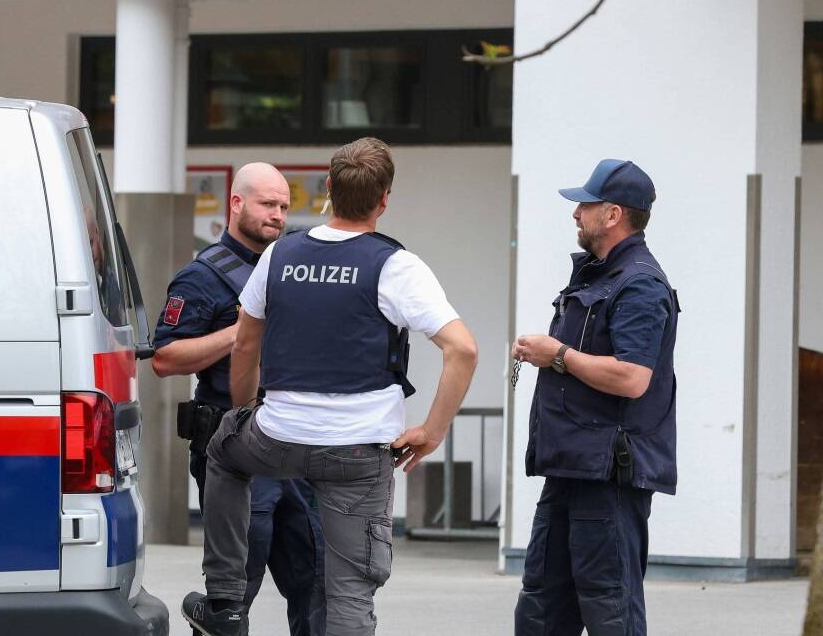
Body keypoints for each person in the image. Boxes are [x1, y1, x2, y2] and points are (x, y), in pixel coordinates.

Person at [181, 138, 478, 636]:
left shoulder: (279, 255)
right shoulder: (396, 266)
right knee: (349, 590)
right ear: (384, 199)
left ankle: (226, 601)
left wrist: (246, 413)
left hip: (276, 439)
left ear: (328, 190)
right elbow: (462, 350)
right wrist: (432, 430)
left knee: (223, 451)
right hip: (358, 456)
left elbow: (246, 347)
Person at [153, 161, 325, 636]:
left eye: (284, 207)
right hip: (235, 449)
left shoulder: (291, 267)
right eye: (268, 204)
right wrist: (240, 333)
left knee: (317, 580)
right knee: (234, 591)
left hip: (294, 446)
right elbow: (165, 358)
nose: (277, 215)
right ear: (236, 202)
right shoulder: (202, 277)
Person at [512, 159, 679, 636]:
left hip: (608, 475)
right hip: (570, 467)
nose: (575, 214)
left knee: (610, 607)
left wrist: (557, 354)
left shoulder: (640, 284)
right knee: (541, 606)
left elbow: (632, 378)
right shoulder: (595, 275)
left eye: (584, 205)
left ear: (612, 215)